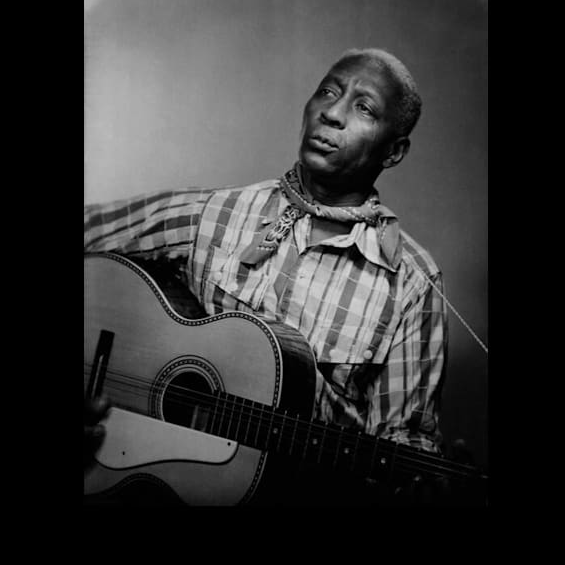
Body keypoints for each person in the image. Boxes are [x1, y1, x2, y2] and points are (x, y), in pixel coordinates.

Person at [84, 47, 474, 505]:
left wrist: (424, 483)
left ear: (395, 151)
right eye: (327, 92)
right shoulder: (214, 213)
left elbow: (403, 440)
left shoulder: (411, 281)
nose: (332, 113)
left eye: (363, 108)